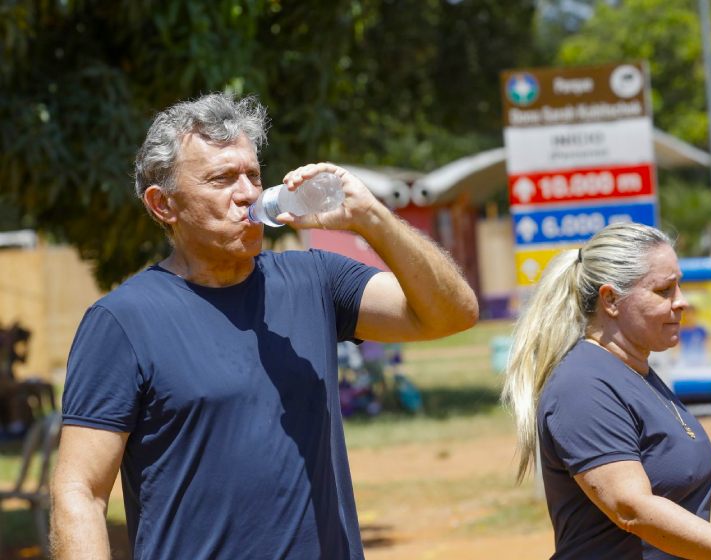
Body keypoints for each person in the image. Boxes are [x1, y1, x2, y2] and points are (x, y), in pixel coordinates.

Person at [50, 93, 479, 560]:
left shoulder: (316, 281)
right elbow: (81, 492)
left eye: (253, 175)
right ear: (163, 205)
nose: (248, 193)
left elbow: (452, 313)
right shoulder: (123, 321)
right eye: (222, 179)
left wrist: (372, 219)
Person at [502, 222, 711, 559]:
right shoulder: (582, 386)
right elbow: (633, 508)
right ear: (611, 299)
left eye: (679, 287)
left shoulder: (637, 371)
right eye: (664, 291)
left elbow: (673, 494)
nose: (682, 302)